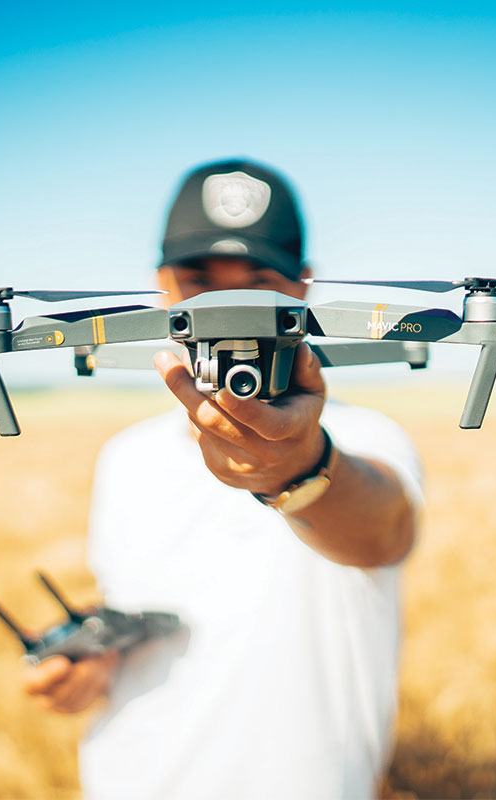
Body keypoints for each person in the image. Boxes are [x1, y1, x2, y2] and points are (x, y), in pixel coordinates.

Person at [22, 159, 424, 799]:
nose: (227, 310)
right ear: (162, 285)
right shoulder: (124, 458)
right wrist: (88, 663)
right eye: (200, 283)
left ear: (301, 288)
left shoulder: (369, 440)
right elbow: (144, 599)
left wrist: (301, 467)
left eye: (257, 285)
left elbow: (379, 533)